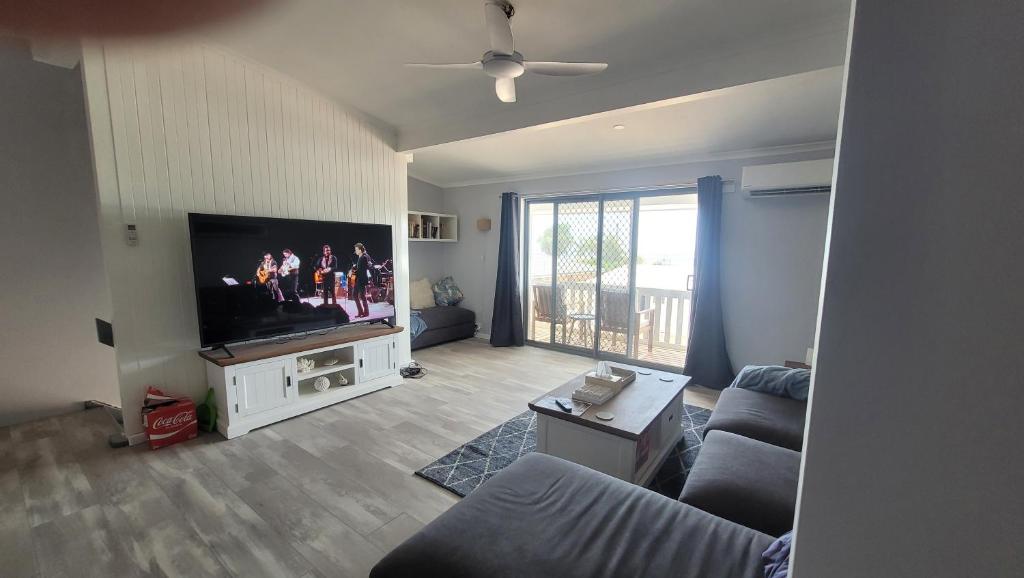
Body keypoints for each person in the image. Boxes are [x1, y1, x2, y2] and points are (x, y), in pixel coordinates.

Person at [352, 242, 371, 318]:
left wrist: (352, 272)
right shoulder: (361, 257)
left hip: (361, 279)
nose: (355, 251)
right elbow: (358, 268)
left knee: (362, 296)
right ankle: (361, 312)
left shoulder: (363, 257)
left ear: (360, 250)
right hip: (358, 279)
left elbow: (361, 270)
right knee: (355, 295)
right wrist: (354, 268)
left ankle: (365, 313)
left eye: (356, 249)